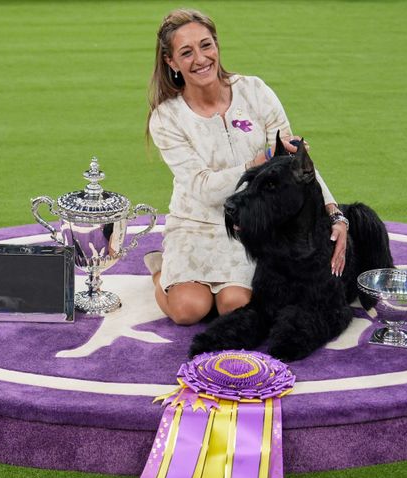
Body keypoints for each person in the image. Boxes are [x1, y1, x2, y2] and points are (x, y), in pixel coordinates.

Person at [145, 8, 349, 326]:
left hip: (253, 226)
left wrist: (334, 212)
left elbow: (296, 165)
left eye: (206, 45)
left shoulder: (255, 91)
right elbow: (202, 187)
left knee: (235, 306)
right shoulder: (166, 118)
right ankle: (160, 272)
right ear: (171, 62)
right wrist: (256, 163)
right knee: (189, 310)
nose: (200, 59)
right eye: (186, 52)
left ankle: (201, 284)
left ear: (217, 45)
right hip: (193, 224)